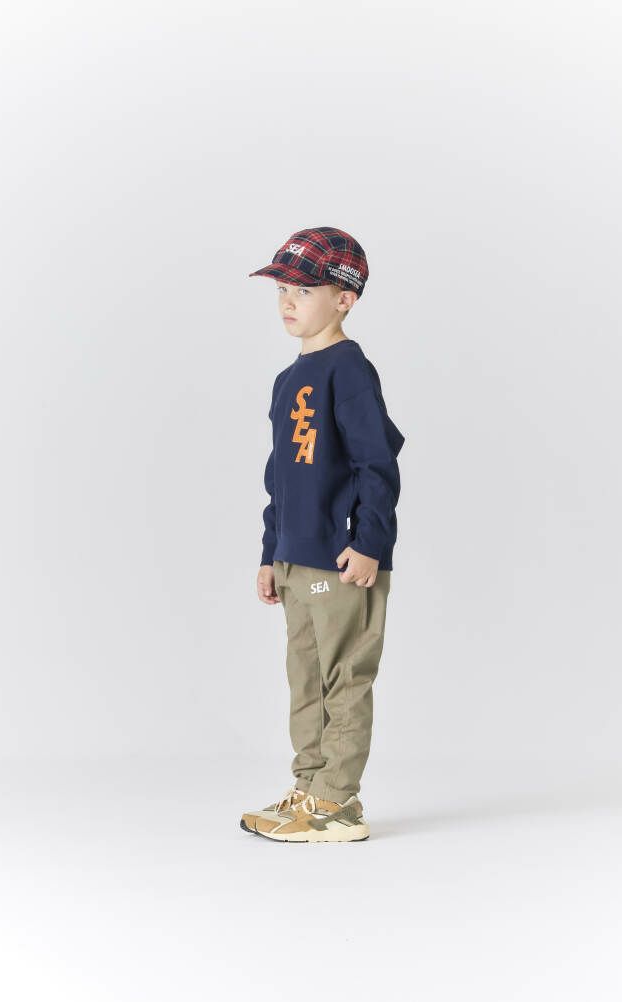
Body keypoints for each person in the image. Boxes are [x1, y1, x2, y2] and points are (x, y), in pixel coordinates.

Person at [240, 226, 406, 843]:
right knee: (306, 680)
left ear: (344, 298)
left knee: (344, 678)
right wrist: (270, 553)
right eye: (282, 290)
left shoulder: (350, 370)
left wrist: (369, 543)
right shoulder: (289, 379)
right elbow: (280, 477)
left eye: (304, 291)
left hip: (342, 560)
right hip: (297, 557)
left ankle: (339, 803)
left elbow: (377, 464)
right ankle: (309, 789)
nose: (288, 301)